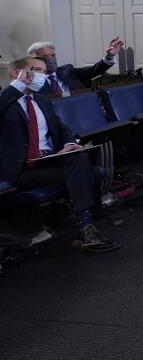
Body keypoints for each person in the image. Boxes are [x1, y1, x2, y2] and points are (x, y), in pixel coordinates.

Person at [0, 57, 120, 252]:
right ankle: (87, 225)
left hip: (48, 159)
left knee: (78, 156)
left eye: (44, 71)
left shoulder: (41, 100)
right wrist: (18, 85)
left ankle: (86, 226)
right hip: (22, 169)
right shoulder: (5, 99)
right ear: (15, 73)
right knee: (83, 171)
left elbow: (61, 127)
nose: (42, 75)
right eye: (36, 70)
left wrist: (69, 143)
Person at [28, 37, 124, 96]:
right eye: (45, 57)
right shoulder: (30, 81)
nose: (51, 59)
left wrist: (109, 56)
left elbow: (93, 70)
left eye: (53, 56)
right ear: (33, 59)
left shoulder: (67, 71)